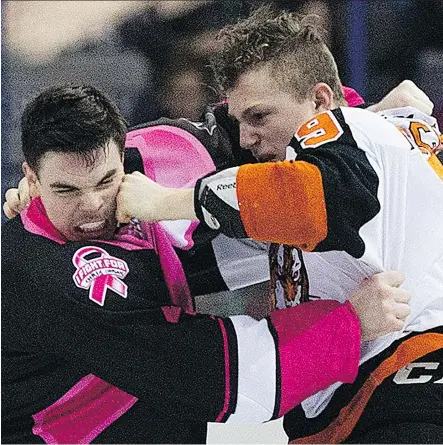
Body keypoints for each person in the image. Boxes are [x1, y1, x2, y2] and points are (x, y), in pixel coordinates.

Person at [1, 85, 411, 444]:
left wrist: (357, 121)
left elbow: (246, 133)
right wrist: (351, 323)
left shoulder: (152, 156)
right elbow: (210, 374)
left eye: (105, 182)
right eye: (65, 190)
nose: (91, 208)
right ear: (32, 180)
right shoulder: (43, 275)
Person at [115, 7, 443, 444]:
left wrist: (165, 202)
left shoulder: (345, 132)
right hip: (350, 398)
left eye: (259, 117)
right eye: (240, 122)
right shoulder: (364, 147)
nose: (247, 138)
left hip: (409, 379)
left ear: (321, 101)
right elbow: (201, 260)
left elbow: (308, 198)